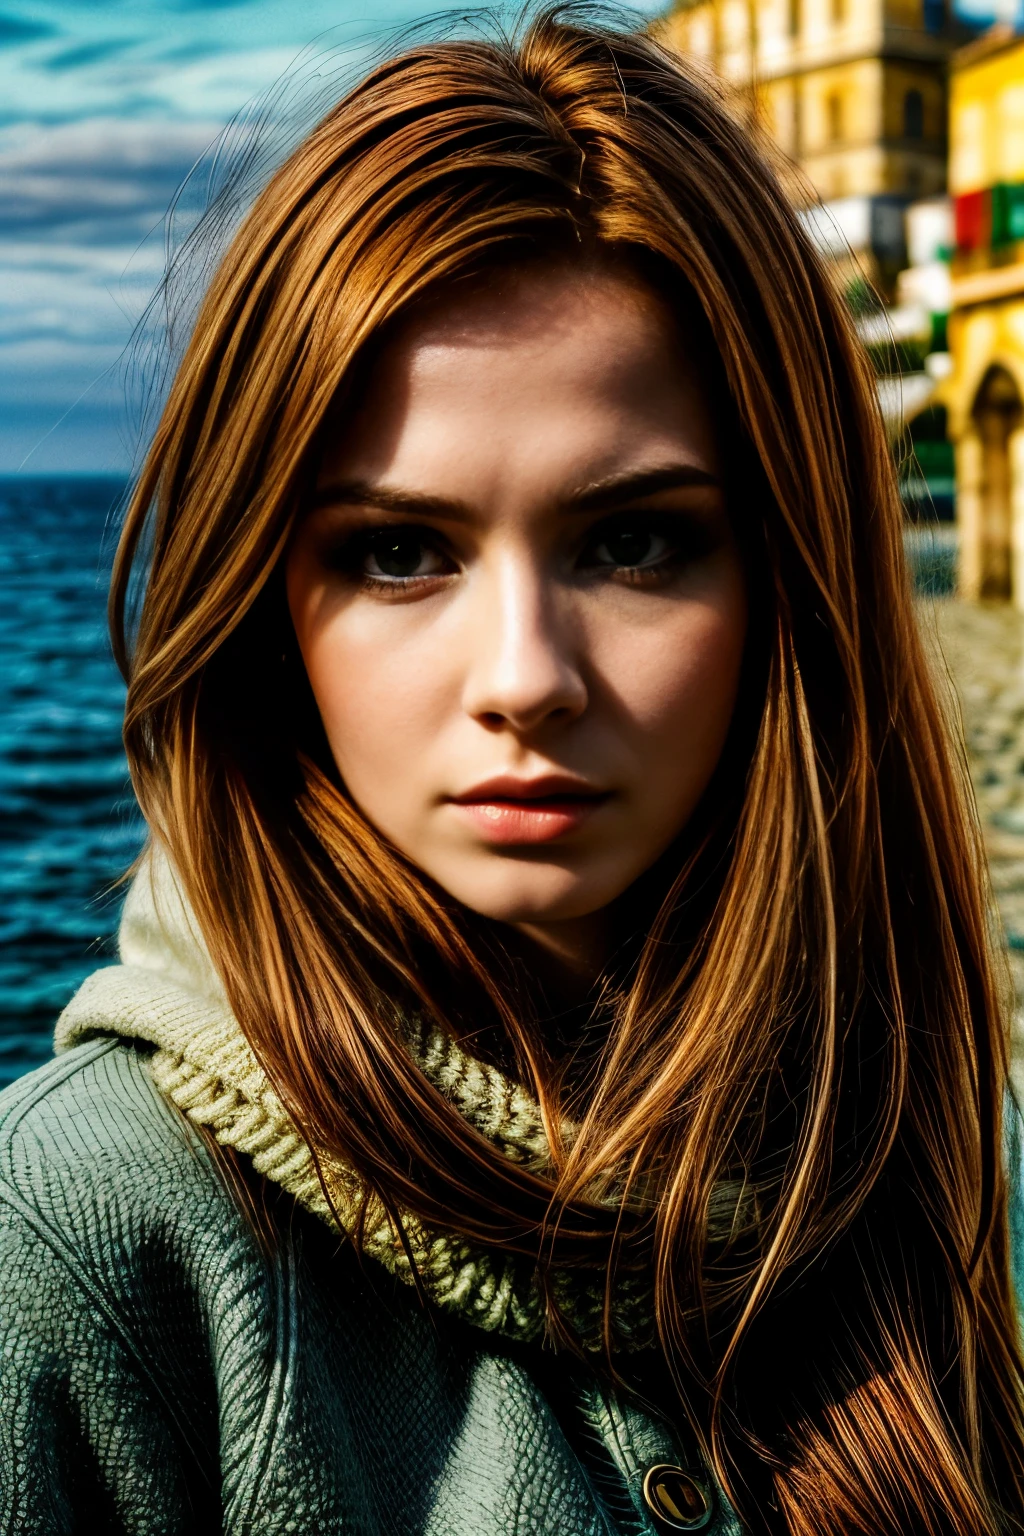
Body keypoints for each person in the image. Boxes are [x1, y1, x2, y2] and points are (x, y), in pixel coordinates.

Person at [1, 8, 1022, 1533]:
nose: (526, 677)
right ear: (271, 605)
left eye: (632, 541)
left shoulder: (948, 1166)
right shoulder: (82, 1243)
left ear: (788, 584)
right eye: (401, 553)